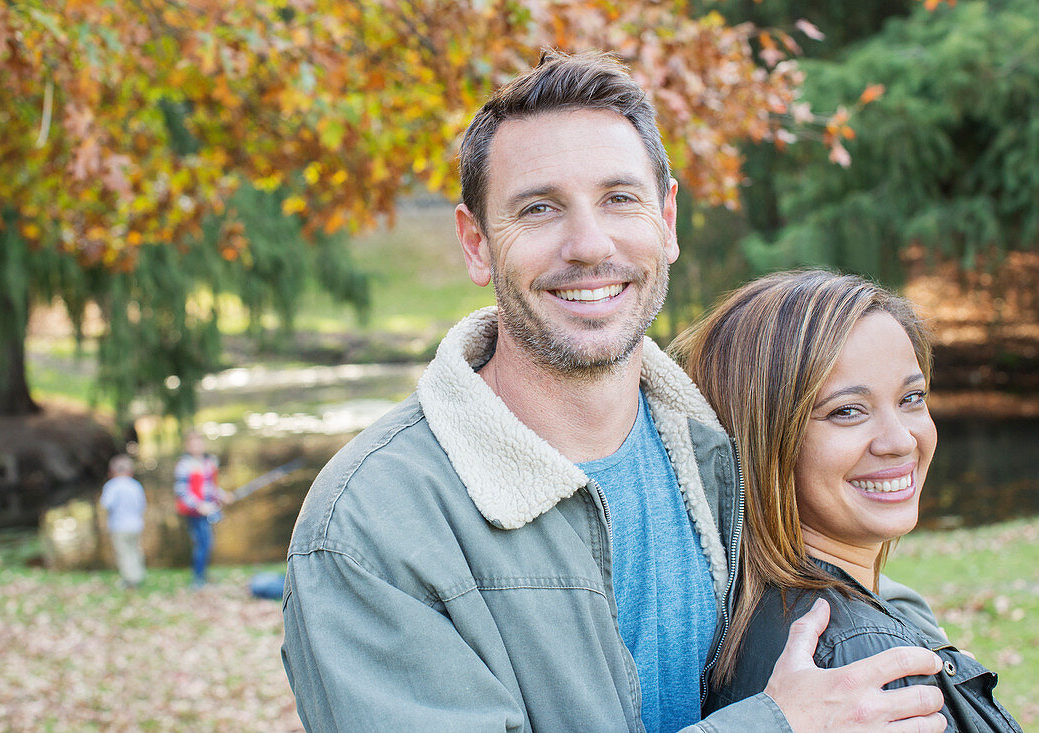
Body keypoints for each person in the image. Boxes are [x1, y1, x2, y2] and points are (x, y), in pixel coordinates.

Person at [282, 50, 948, 732]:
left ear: (667, 219)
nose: (588, 243)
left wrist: (928, 656)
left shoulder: (712, 444)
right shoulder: (373, 522)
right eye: (539, 209)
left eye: (619, 198)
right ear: (477, 243)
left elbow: (818, 580)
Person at [674, 269, 1021, 731]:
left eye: (912, 398)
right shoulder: (856, 669)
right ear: (767, 441)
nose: (899, 440)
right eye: (846, 411)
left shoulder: (759, 614)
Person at [174, 430, 232, 588]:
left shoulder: (209, 462)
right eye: (193, 443)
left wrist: (222, 495)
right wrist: (199, 506)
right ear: (188, 446)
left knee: (207, 543)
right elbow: (181, 491)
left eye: (199, 442)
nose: (197, 446)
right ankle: (198, 579)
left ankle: (203, 574)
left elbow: (212, 487)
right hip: (195, 512)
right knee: (202, 543)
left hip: (210, 509)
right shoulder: (184, 466)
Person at [99, 454, 147, 588]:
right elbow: (142, 505)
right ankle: (138, 575)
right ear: (130, 471)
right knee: (135, 550)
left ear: (112, 472)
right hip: (136, 525)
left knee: (123, 552)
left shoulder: (112, 486)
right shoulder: (136, 485)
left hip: (119, 526)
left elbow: (106, 504)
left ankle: (129, 579)